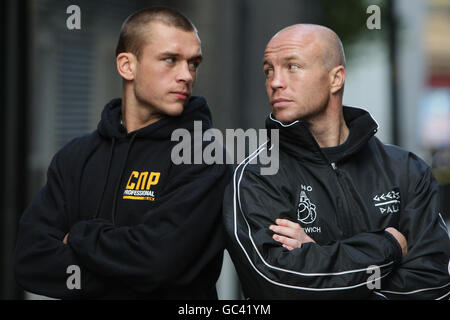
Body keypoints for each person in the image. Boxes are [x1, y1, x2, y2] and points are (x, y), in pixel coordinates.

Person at [14, 7, 232, 299]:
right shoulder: (75, 157)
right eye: (170, 60)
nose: (186, 75)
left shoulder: (204, 157)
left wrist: (78, 237)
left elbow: (159, 263)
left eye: (193, 63)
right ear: (127, 66)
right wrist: (129, 277)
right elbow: (30, 260)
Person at [223, 24, 450, 299]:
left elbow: (433, 286)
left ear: (336, 79)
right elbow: (279, 286)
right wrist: (388, 245)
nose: (275, 82)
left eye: (292, 66)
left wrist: (317, 255)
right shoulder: (257, 176)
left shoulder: (407, 170)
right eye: (268, 70)